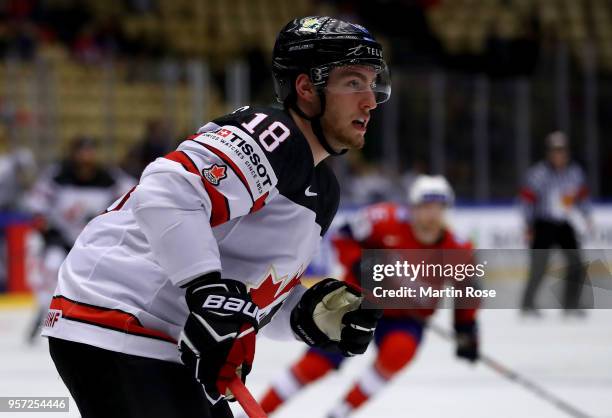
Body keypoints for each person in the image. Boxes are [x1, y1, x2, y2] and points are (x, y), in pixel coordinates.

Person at [42, 16, 390, 418]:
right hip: (118, 321)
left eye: (373, 83)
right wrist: (206, 290)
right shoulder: (270, 134)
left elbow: (246, 297)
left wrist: (307, 313)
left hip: (170, 345)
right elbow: (165, 192)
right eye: (353, 83)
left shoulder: (322, 190)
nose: (371, 99)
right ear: (306, 87)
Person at [256, 175, 480, 418]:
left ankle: (340, 413)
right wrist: (358, 263)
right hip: (356, 304)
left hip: (405, 317)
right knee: (316, 365)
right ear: (412, 207)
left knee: (398, 353)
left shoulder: (458, 249)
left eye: (439, 207)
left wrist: (466, 329)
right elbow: (343, 235)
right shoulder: (383, 219)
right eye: (426, 206)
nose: (432, 214)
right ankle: (257, 412)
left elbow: (466, 291)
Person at [24, 137, 134, 343]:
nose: (86, 157)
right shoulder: (58, 176)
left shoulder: (109, 177)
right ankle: (43, 310)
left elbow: (132, 194)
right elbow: (37, 202)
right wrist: (43, 224)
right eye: (82, 152)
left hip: (94, 241)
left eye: (90, 151)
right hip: (62, 237)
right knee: (51, 266)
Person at [519, 131, 591, 315]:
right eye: (555, 151)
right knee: (539, 266)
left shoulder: (575, 173)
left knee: (576, 263)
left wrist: (587, 216)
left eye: (562, 151)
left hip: (564, 224)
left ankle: (571, 304)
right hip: (543, 224)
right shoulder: (538, 174)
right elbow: (527, 201)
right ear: (549, 153)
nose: (558, 155)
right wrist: (528, 225)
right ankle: (527, 304)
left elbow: (581, 197)